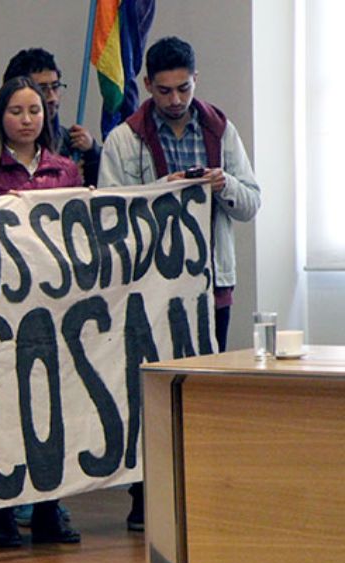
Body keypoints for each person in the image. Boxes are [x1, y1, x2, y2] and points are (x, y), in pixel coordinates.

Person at [98, 36, 261, 531]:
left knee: (203, 391)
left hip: (213, 284)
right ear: (147, 86)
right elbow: (107, 214)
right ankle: (146, 496)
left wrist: (223, 185)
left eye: (183, 89)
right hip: (149, 288)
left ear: (196, 80)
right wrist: (155, 196)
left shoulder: (219, 127)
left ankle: (200, 490)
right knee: (149, 389)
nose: (174, 101)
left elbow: (252, 202)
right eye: (164, 91)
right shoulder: (125, 138)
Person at [0, 76, 83, 548]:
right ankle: (0, 513)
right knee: (4, 408)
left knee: (50, 407)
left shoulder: (66, 169)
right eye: (17, 111)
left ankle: (47, 508)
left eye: (34, 111)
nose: (26, 120)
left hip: (51, 307)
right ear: (1, 117)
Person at [0, 47, 101, 187]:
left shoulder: (67, 140)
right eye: (43, 89)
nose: (52, 98)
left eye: (55, 86)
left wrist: (92, 153)